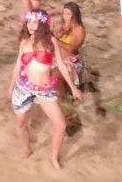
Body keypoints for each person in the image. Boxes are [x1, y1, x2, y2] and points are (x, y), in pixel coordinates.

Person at [9, 9, 83, 169]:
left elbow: (61, 66)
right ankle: (26, 149)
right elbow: (18, 65)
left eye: (35, 22)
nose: (31, 25)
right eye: (29, 22)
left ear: (42, 24)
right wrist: (11, 86)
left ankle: (54, 157)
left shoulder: (51, 42)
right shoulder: (24, 42)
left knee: (61, 124)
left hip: (44, 89)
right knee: (21, 123)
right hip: (24, 87)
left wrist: (73, 88)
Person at [52, 2, 86, 97]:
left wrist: (56, 40)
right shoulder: (60, 25)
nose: (65, 16)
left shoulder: (79, 29)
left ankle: (63, 99)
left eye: (68, 14)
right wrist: (55, 32)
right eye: (64, 13)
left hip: (72, 62)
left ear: (75, 15)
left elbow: (72, 48)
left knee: (55, 76)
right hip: (58, 60)